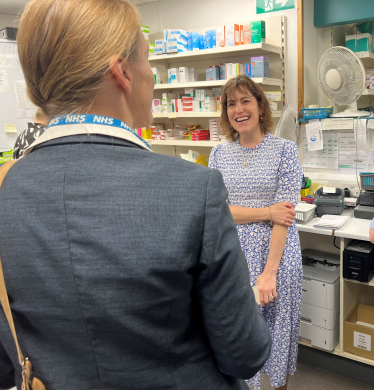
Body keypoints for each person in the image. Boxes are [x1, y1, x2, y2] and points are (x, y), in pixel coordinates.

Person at [0, 1, 271, 389]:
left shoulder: (6, 190)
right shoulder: (192, 190)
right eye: (146, 61)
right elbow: (245, 353)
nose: (152, 78)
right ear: (122, 72)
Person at [209, 74, 303, 390]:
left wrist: (269, 273)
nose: (239, 109)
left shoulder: (284, 150)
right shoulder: (219, 155)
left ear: (260, 106)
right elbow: (219, 211)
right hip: (234, 258)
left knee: (276, 334)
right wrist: (266, 211)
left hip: (277, 256)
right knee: (238, 336)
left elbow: (284, 217)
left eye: (245, 100)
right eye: (231, 104)